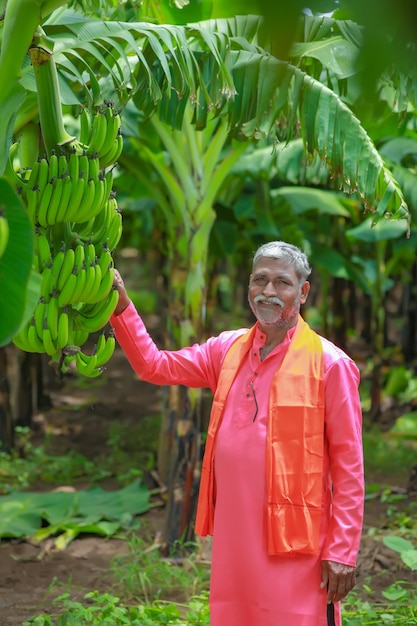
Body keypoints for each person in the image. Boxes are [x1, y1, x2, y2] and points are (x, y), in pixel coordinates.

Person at [110, 241, 364, 626]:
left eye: (282, 282)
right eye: (260, 280)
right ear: (248, 286)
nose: (268, 292)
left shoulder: (330, 365)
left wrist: (342, 551)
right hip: (234, 535)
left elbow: (349, 468)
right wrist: (121, 308)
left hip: (297, 542)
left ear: (303, 291)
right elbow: (155, 366)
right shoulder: (227, 349)